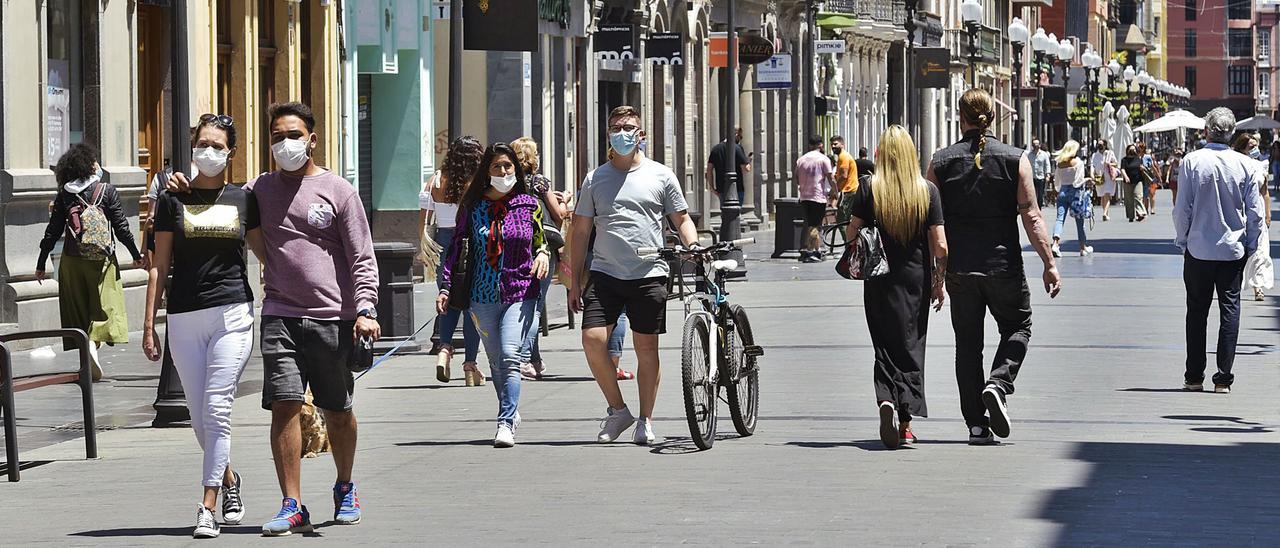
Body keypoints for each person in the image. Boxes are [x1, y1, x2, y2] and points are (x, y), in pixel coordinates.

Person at [173, 102, 381, 535]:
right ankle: (293, 503)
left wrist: (365, 309)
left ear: (312, 139)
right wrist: (180, 188)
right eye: (276, 137)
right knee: (284, 406)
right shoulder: (259, 190)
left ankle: (345, 485)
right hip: (280, 314)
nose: (284, 144)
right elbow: (216, 194)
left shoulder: (339, 191)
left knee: (337, 410)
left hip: (333, 317)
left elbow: (362, 257)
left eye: (293, 135)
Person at [143, 114, 259, 538]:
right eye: (202, 144)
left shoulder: (246, 199)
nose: (207, 152)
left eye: (217, 145)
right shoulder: (174, 199)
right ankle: (229, 480)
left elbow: (267, 253)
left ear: (231, 152)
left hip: (232, 313)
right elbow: (159, 264)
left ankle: (206, 505)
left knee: (216, 409)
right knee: (199, 418)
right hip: (184, 316)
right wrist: (149, 324)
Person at [925, 88, 1061, 445]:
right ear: (993, 117)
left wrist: (935, 276)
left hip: (960, 269)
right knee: (1019, 325)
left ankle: (975, 425)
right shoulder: (1016, 159)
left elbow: (930, 222)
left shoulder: (940, 162)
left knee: (967, 345)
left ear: (961, 118)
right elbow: (1032, 216)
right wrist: (1049, 263)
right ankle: (998, 383)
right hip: (1003, 266)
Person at [568, 105, 699, 445]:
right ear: (608, 134)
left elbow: (681, 219)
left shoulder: (660, 175)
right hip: (605, 273)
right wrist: (573, 280)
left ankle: (646, 420)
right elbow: (580, 232)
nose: (622, 132)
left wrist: (693, 244)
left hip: (650, 273)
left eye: (628, 126)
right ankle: (618, 410)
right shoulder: (595, 179)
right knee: (592, 339)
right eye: (615, 127)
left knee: (646, 349)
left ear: (641, 135)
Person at [437, 143, 549, 447]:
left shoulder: (529, 204)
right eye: (497, 167)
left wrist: (542, 254)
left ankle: (505, 422)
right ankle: (510, 410)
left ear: (516, 169)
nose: (503, 172)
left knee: (511, 356)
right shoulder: (473, 207)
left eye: (508, 166)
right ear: (487, 171)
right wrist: (446, 286)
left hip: (521, 290)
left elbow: (541, 239)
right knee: (497, 361)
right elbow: (456, 247)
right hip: (481, 294)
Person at [844, 125, 947, 449]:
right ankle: (904, 424)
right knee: (911, 346)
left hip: (878, 277)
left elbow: (852, 231)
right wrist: (938, 281)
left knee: (884, 345)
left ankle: (885, 399)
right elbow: (940, 244)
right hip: (915, 279)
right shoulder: (927, 191)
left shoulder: (869, 188)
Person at [1173, 108, 1266, 394]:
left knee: (1196, 311)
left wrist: (1183, 239)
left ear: (1206, 131)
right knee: (1230, 310)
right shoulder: (1247, 166)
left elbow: (1182, 208)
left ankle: (1193, 375)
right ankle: (1223, 377)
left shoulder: (1191, 161)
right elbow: (1255, 213)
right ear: (1232, 133)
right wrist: (1252, 246)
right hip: (1232, 251)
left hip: (1198, 249)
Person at [36, 143, 144, 382]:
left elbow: (52, 232)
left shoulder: (65, 195)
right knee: (105, 305)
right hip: (102, 260)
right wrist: (136, 255)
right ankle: (94, 344)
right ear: (89, 165)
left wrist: (42, 262)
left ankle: (86, 347)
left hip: (72, 260)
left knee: (78, 307)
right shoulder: (106, 190)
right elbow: (122, 228)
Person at [420, 137, 485, 385]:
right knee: (472, 305)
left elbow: (424, 216)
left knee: (446, 298)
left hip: (442, 240)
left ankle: (444, 349)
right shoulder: (477, 183)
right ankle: (470, 364)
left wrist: (424, 243)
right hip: (471, 243)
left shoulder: (436, 179)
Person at [511, 137, 569, 380]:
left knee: (524, 303)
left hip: (514, 246)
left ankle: (534, 359)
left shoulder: (508, 183)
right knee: (534, 306)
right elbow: (558, 215)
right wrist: (563, 200)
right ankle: (523, 360)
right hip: (541, 246)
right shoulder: (540, 182)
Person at [1233, 135, 1274, 302]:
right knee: (1239, 250)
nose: (1254, 150)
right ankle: (1234, 282)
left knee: (1260, 251)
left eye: (1256, 146)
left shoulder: (1261, 166)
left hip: (1258, 213)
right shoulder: (1235, 165)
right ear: (1242, 148)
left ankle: (1258, 286)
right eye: (1251, 147)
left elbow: (1265, 193)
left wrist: (1268, 214)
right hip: (1239, 212)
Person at [795, 135, 835, 263]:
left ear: (809, 145)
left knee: (810, 224)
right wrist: (836, 191)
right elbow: (830, 177)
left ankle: (815, 250)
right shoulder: (823, 159)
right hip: (818, 197)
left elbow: (796, 177)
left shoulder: (801, 160)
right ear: (821, 145)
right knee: (815, 225)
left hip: (804, 197)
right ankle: (811, 252)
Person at [1050, 140, 1093, 258]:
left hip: (1062, 192)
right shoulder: (1078, 162)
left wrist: (1059, 190)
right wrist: (1087, 179)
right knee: (1080, 221)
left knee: (1059, 219)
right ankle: (1082, 247)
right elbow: (1078, 182)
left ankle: (1055, 243)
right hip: (1075, 193)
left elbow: (1057, 182)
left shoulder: (1059, 163)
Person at [705, 127, 752, 201]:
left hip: (721, 187)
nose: (740, 140)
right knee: (736, 211)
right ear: (736, 135)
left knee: (724, 210)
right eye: (740, 137)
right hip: (737, 188)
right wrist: (748, 161)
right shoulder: (737, 148)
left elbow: (709, 169)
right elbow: (746, 168)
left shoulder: (716, 149)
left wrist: (712, 187)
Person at [831, 136, 859, 223]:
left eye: (835, 144)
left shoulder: (843, 157)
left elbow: (843, 176)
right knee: (844, 219)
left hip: (848, 191)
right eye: (831, 144)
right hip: (850, 191)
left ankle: (847, 237)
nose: (833, 146)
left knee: (841, 220)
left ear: (842, 144)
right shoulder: (842, 157)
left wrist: (835, 189)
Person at [1091, 140, 1119, 221]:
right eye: (1098, 144)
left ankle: (1104, 213)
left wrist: (1109, 164)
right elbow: (1093, 165)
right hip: (1099, 176)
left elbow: (1116, 163)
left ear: (1105, 145)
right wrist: (1092, 174)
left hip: (1108, 176)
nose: (1099, 146)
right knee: (1103, 196)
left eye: (1101, 144)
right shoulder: (1095, 155)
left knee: (1107, 194)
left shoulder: (1110, 153)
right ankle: (1106, 213)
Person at [1120, 144, 1146, 222]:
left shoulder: (1138, 158)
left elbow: (1142, 167)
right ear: (1127, 151)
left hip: (1138, 180)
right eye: (1130, 150)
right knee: (1129, 199)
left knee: (1138, 196)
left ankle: (1140, 213)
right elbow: (1122, 169)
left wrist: (1142, 168)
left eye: (1134, 149)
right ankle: (1131, 216)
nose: (1132, 151)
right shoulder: (1124, 160)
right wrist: (1125, 177)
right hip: (1127, 182)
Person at [1027, 137, 1052, 209]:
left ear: (1040, 145)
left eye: (1037, 144)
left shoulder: (1044, 154)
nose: (1036, 145)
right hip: (1032, 177)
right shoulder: (1029, 155)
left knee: (1040, 194)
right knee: (1033, 194)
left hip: (1041, 177)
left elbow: (1047, 164)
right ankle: (1034, 207)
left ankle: (1039, 207)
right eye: (1034, 144)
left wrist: (1048, 175)